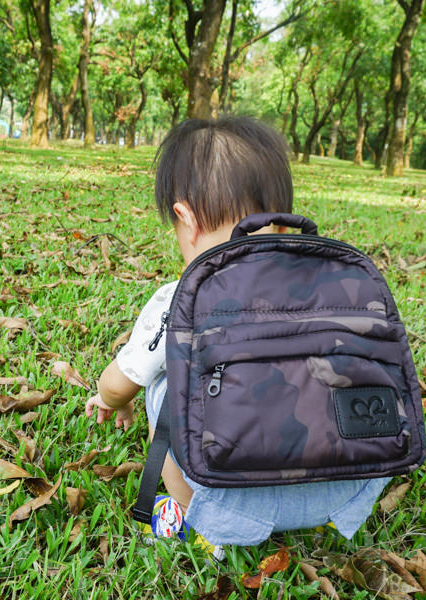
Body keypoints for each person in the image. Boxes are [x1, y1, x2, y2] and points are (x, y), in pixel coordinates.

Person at [84, 116, 391, 552]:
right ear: (284, 223)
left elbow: (118, 382)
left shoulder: (178, 301)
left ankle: (196, 522)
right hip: (345, 493)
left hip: (223, 497)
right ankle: (313, 519)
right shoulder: (336, 287)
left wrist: (112, 400)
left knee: (160, 382)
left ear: (184, 219)